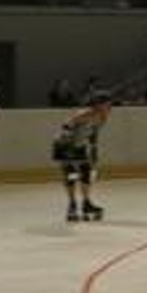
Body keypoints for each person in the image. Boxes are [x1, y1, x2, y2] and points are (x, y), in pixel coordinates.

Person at [52, 90, 113, 222]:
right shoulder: (86, 114)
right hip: (65, 144)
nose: (109, 107)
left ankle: (86, 203)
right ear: (98, 104)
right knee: (71, 174)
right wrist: (66, 146)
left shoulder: (104, 117)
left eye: (109, 104)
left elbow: (93, 134)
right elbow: (66, 126)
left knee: (86, 171)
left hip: (79, 145)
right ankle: (72, 205)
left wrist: (94, 150)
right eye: (107, 104)